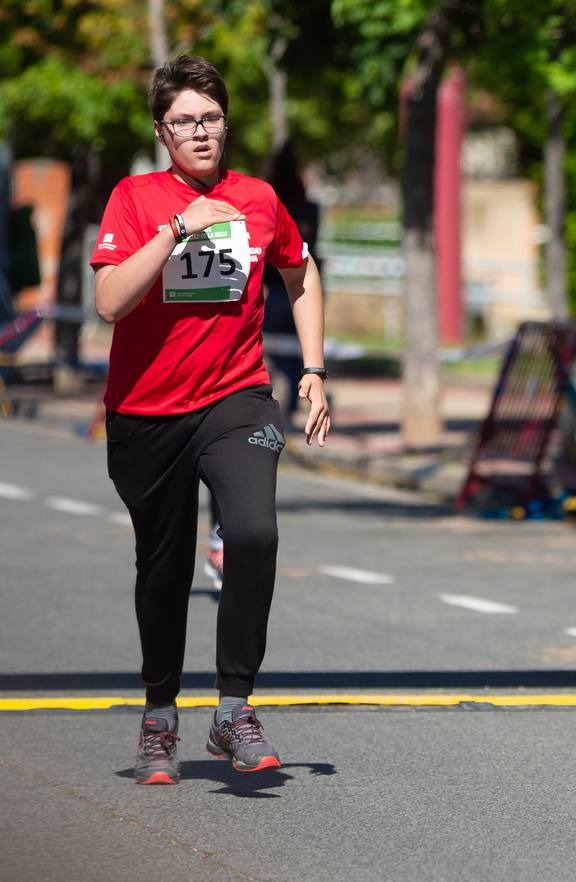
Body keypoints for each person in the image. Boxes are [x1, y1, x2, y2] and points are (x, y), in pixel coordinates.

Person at [91, 55, 331, 785]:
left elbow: (300, 271)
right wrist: (175, 227)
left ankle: (233, 707)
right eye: (185, 121)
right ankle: (160, 716)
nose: (201, 132)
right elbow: (109, 302)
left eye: (212, 118)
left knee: (254, 532)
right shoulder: (134, 199)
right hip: (146, 410)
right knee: (161, 572)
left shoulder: (258, 198)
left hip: (236, 398)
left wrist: (315, 370)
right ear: (163, 131)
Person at [203, 140, 324, 591]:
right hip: (184, 382)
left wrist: (317, 372)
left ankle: (224, 539)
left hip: (245, 379)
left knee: (237, 471)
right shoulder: (252, 203)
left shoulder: (273, 202)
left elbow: (303, 262)